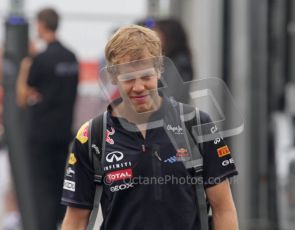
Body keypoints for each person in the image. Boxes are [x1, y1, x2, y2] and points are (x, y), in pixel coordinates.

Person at [61, 25, 238, 230]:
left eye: (146, 77)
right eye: (128, 78)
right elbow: (75, 219)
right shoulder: (92, 136)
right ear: (113, 76)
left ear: (159, 69)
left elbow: (223, 208)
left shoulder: (197, 125)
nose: (138, 87)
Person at [25, 8, 79, 230]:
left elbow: (23, 92)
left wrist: (28, 60)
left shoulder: (41, 58)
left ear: (40, 25)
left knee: (42, 187)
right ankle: (63, 223)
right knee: (61, 183)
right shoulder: (71, 57)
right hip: (64, 131)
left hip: (41, 133)